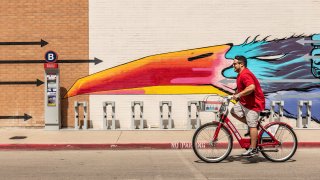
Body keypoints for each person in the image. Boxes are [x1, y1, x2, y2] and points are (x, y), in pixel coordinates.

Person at [230, 55, 265, 157]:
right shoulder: (240, 75)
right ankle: (252, 125)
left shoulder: (245, 74)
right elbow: (240, 89)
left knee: (252, 125)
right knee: (232, 110)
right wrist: (233, 97)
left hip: (254, 104)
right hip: (245, 102)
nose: (233, 65)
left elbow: (251, 87)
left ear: (241, 64)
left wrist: (239, 95)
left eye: (235, 64)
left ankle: (253, 149)